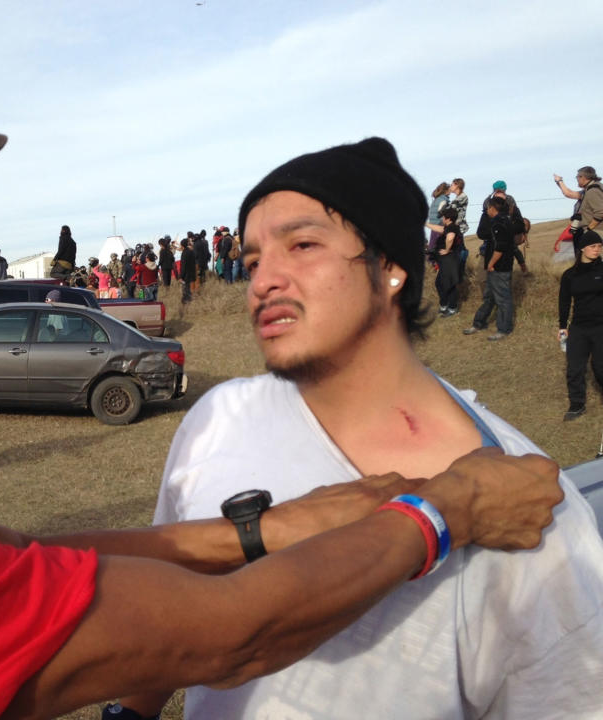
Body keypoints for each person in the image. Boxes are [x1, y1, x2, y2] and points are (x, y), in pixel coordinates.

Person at [0, 7, 564, 719]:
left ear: (394, 267)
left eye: (304, 245)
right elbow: (226, 636)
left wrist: (254, 536)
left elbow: (3, 558)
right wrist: (449, 505)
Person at [115, 138, 603, 720]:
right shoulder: (218, 417)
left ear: (391, 266)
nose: (263, 280)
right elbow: (174, 582)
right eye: (251, 262)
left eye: (302, 245)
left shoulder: (530, 510)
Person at [558, 230, 603, 421]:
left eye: (600, 246)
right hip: (578, 327)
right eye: (593, 246)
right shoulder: (570, 275)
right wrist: (562, 326)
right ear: (583, 249)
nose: (597, 249)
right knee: (574, 368)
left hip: (600, 326)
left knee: (600, 367)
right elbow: (564, 301)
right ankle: (577, 405)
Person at [464, 196, 516, 340]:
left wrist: (491, 263)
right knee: (489, 297)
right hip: (498, 267)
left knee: (503, 299)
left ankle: (504, 329)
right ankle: (479, 323)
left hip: (499, 267)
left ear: (493, 208)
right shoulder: (506, 220)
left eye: (488, 208)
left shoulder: (500, 223)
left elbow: (500, 247)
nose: (486, 211)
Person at [426, 207, 463, 315]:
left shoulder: (452, 228)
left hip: (449, 260)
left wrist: (447, 250)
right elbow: (439, 229)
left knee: (449, 284)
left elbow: (450, 238)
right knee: (440, 283)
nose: (442, 218)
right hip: (446, 260)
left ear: (448, 218)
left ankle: (452, 308)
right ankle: (444, 305)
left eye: (443, 216)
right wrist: (425, 224)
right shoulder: (450, 227)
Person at [555, 167, 603, 243]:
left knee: (592, 254)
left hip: (594, 232)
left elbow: (600, 213)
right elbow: (568, 193)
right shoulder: (589, 189)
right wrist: (559, 182)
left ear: (583, 177)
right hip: (591, 231)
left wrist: (588, 230)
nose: (577, 179)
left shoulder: (593, 190)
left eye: (577, 177)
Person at [426, 181, 450, 251]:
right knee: (439, 249)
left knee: (433, 247)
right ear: (445, 191)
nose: (450, 192)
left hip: (433, 227)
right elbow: (441, 213)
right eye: (449, 190)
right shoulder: (443, 201)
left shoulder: (436, 200)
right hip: (440, 227)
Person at [179, 236, 196, 303]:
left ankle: (186, 301)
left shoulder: (184, 253)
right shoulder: (191, 251)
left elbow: (183, 265)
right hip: (191, 272)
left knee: (185, 289)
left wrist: (181, 276)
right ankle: (188, 300)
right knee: (187, 287)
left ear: (182, 245)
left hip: (186, 274)